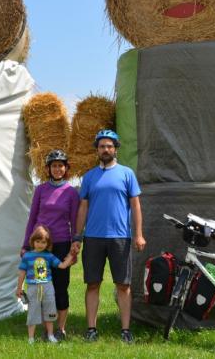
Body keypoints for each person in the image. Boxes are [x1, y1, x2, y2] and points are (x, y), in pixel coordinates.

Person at [71, 129, 146, 344]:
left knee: (123, 285)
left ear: (115, 149)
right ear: (97, 150)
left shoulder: (126, 173)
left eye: (110, 146)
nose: (106, 149)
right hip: (93, 237)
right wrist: (78, 235)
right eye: (102, 146)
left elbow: (136, 205)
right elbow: (83, 207)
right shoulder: (89, 176)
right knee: (92, 284)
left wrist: (139, 234)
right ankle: (91, 329)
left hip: (120, 237)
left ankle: (125, 330)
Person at [21, 149, 80, 340]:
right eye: (54, 166)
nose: (57, 169)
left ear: (66, 168)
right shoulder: (41, 189)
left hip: (62, 243)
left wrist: (74, 246)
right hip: (40, 244)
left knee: (61, 286)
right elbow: (32, 218)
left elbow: (73, 220)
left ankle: (60, 329)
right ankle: (42, 328)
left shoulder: (71, 192)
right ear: (48, 168)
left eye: (61, 165)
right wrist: (26, 244)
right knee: (40, 285)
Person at [17, 225, 75, 344]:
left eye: (43, 242)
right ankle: (31, 338)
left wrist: (71, 256)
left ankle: (50, 335)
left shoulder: (49, 256)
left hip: (48, 287)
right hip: (33, 288)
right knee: (33, 312)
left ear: (47, 243)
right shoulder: (27, 256)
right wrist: (19, 288)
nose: (40, 244)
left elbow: (62, 266)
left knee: (50, 311)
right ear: (33, 241)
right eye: (37, 241)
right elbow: (22, 272)